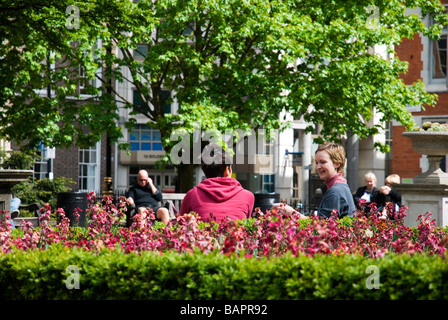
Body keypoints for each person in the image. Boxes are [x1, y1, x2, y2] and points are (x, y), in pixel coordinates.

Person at [273, 142, 356, 219]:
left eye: (323, 162)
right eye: (316, 163)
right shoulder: (341, 186)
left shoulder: (335, 191)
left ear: (337, 163)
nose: (318, 167)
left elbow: (319, 227)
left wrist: (292, 212)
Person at [179, 144, 255, 222]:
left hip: (204, 234)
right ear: (227, 170)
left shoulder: (192, 195)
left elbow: (181, 225)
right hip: (234, 234)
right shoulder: (247, 196)